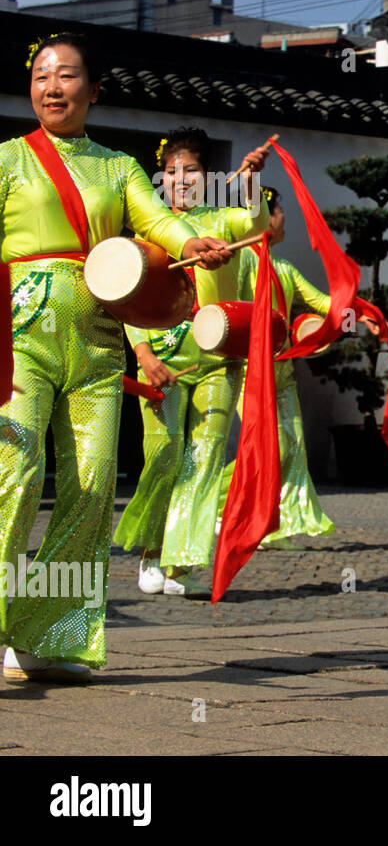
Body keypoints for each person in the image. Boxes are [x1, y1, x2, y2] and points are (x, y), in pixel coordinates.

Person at [1, 33, 233, 682]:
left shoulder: (120, 168)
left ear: (93, 89)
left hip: (99, 341)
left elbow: (159, 223)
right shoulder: (8, 161)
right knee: (16, 470)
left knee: (94, 483)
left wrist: (199, 239)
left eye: (67, 75)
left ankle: (51, 634)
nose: (52, 86)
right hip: (18, 335)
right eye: (42, 74)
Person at [114, 127, 269, 598]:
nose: (182, 180)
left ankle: (183, 564)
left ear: (208, 178)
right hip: (161, 355)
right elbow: (128, 298)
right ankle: (148, 551)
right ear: (162, 178)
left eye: (192, 172)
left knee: (203, 459)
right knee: (164, 454)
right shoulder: (151, 230)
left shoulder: (223, 221)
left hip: (217, 356)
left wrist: (251, 186)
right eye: (173, 172)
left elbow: (259, 227)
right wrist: (141, 353)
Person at [226, 186, 339, 550]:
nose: (284, 218)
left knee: (291, 446)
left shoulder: (285, 269)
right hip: (250, 373)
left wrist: (357, 309)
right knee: (264, 447)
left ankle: (276, 523)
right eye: (278, 212)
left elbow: (322, 302)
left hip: (283, 373)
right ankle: (218, 507)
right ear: (262, 219)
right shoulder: (239, 264)